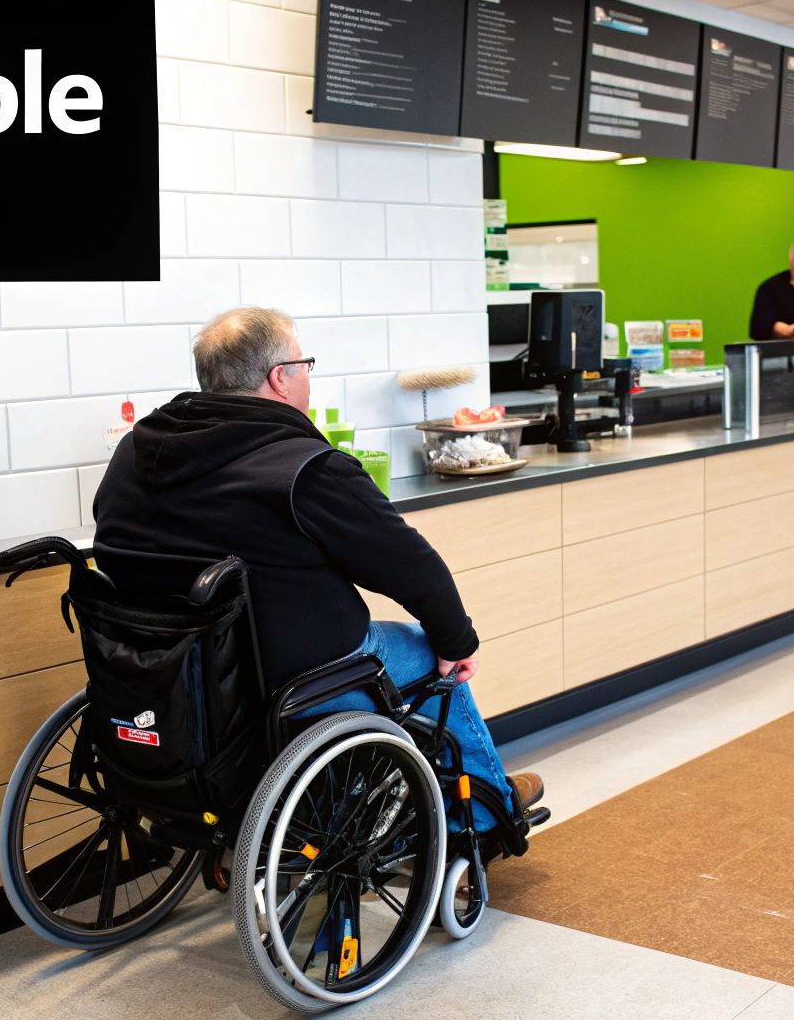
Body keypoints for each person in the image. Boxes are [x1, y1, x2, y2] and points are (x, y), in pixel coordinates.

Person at [92, 306, 544, 829]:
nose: (308, 375)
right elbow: (410, 567)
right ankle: (487, 816)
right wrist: (457, 640)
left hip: (171, 668)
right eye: (304, 363)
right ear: (279, 377)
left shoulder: (132, 452)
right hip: (290, 673)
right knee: (430, 649)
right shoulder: (302, 468)